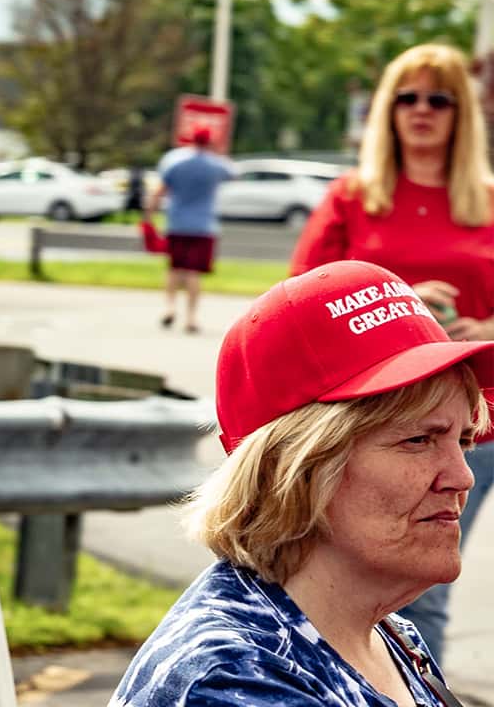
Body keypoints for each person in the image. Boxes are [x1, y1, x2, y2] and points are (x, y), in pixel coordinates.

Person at [111, 259, 494, 706]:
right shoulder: (236, 680)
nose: (461, 476)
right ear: (290, 466)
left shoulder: (382, 632)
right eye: (417, 439)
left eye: (464, 440)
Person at [290, 43, 494, 666]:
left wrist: (482, 323)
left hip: (477, 418)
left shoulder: (488, 200)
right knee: (354, 573)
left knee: (423, 580)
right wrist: (400, 307)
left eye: (439, 97)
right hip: (372, 422)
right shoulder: (355, 197)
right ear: (387, 109)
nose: (422, 110)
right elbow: (296, 307)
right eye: (407, 97)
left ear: (464, 111)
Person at [144, 126, 234, 334]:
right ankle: (191, 318)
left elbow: (159, 191)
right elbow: (233, 172)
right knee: (194, 272)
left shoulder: (175, 161)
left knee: (174, 268)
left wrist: (149, 214)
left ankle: (170, 307)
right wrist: (218, 152)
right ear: (209, 142)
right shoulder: (215, 165)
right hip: (203, 226)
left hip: (177, 223)